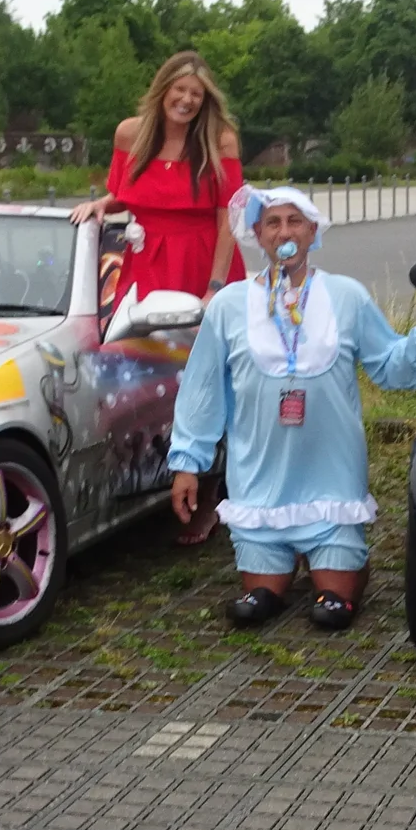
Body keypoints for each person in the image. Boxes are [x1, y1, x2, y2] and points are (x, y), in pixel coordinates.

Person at [167, 187, 416, 630]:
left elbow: (392, 367)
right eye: (272, 223)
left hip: (331, 480)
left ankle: (339, 569)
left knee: (332, 607)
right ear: (258, 235)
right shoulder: (228, 305)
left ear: (311, 231)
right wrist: (188, 463)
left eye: (293, 221)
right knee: (258, 601)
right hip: (259, 485)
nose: (283, 231)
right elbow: (202, 387)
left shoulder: (347, 296)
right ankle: (273, 573)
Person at [75, 52, 246, 542]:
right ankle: (149, 476)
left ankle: (211, 492)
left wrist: (215, 286)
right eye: (180, 91)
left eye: (196, 94)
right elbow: (125, 194)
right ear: (163, 89)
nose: (187, 101)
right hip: (146, 264)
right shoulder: (131, 133)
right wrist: (100, 205)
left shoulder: (219, 140)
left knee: (206, 377)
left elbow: (226, 218)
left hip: (203, 263)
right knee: (147, 373)